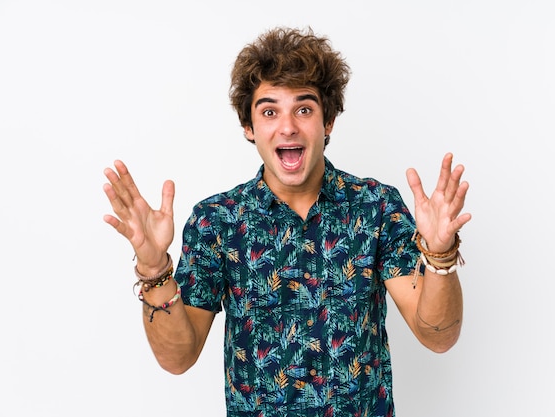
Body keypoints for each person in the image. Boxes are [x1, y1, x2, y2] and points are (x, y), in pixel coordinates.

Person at [103, 26, 471, 417]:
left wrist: (441, 254)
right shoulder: (217, 221)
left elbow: (439, 336)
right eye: (269, 111)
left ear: (327, 121)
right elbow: (178, 358)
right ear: (249, 127)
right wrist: (153, 267)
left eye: (304, 108)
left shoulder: (376, 208)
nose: (288, 126)